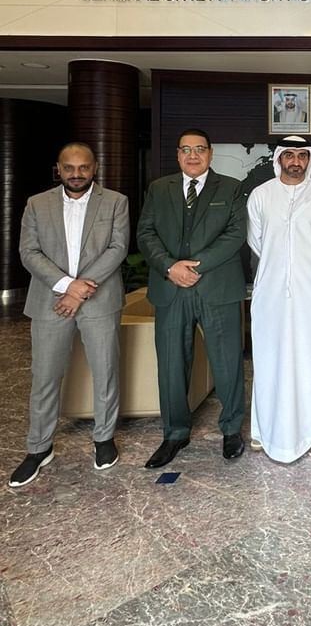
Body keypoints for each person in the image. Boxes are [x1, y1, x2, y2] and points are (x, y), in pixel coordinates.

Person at [10, 143, 129, 489]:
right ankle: (39, 447)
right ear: (58, 169)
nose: (77, 174)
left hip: (99, 300)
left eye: (83, 167)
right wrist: (67, 286)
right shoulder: (37, 204)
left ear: (95, 168)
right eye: (69, 168)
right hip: (51, 301)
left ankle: (104, 438)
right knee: (45, 376)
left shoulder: (116, 201)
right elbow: (28, 252)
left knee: (105, 372)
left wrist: (79, 290)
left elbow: (118, 248)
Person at [137, 129, 247, 468]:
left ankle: (231, 429)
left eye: (199, 149)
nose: (193, 155)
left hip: (217, 287)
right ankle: (175, 433)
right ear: (178, 154)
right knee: (171, 364)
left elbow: (236, 233)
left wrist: (196, 266)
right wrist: (170, 267)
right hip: (171, 288)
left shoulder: (231, 188)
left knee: (227, 362)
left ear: (210, 153)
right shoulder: (159, 189)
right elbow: (145, 232)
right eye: (186, 149)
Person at [247, 136, 311, 462]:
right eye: (289, 155)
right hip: (270, 290)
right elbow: (257, 242)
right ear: (279, 159)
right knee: (269, 357)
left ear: (309, 160)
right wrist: (281, 268)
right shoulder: (261, 195)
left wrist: (303, 270)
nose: (295, 161)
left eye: (302, 155)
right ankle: (264, 428)